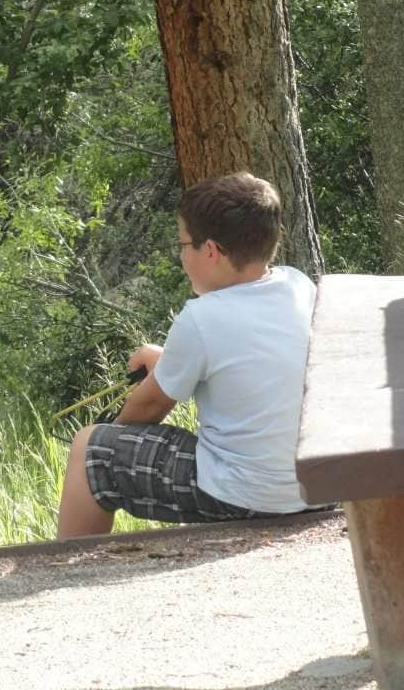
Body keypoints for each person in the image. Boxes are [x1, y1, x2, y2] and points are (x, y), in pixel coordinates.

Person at [57, 172, 323, 539]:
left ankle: (66, 568)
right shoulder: (300, 286)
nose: (182, 255)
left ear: (211, 250)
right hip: (318, 489)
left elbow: (148, 409)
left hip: (246, 497)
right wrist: (168, 362)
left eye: (184, 245)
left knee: (92, 449)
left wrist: (114, 439)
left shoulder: (200, 318)